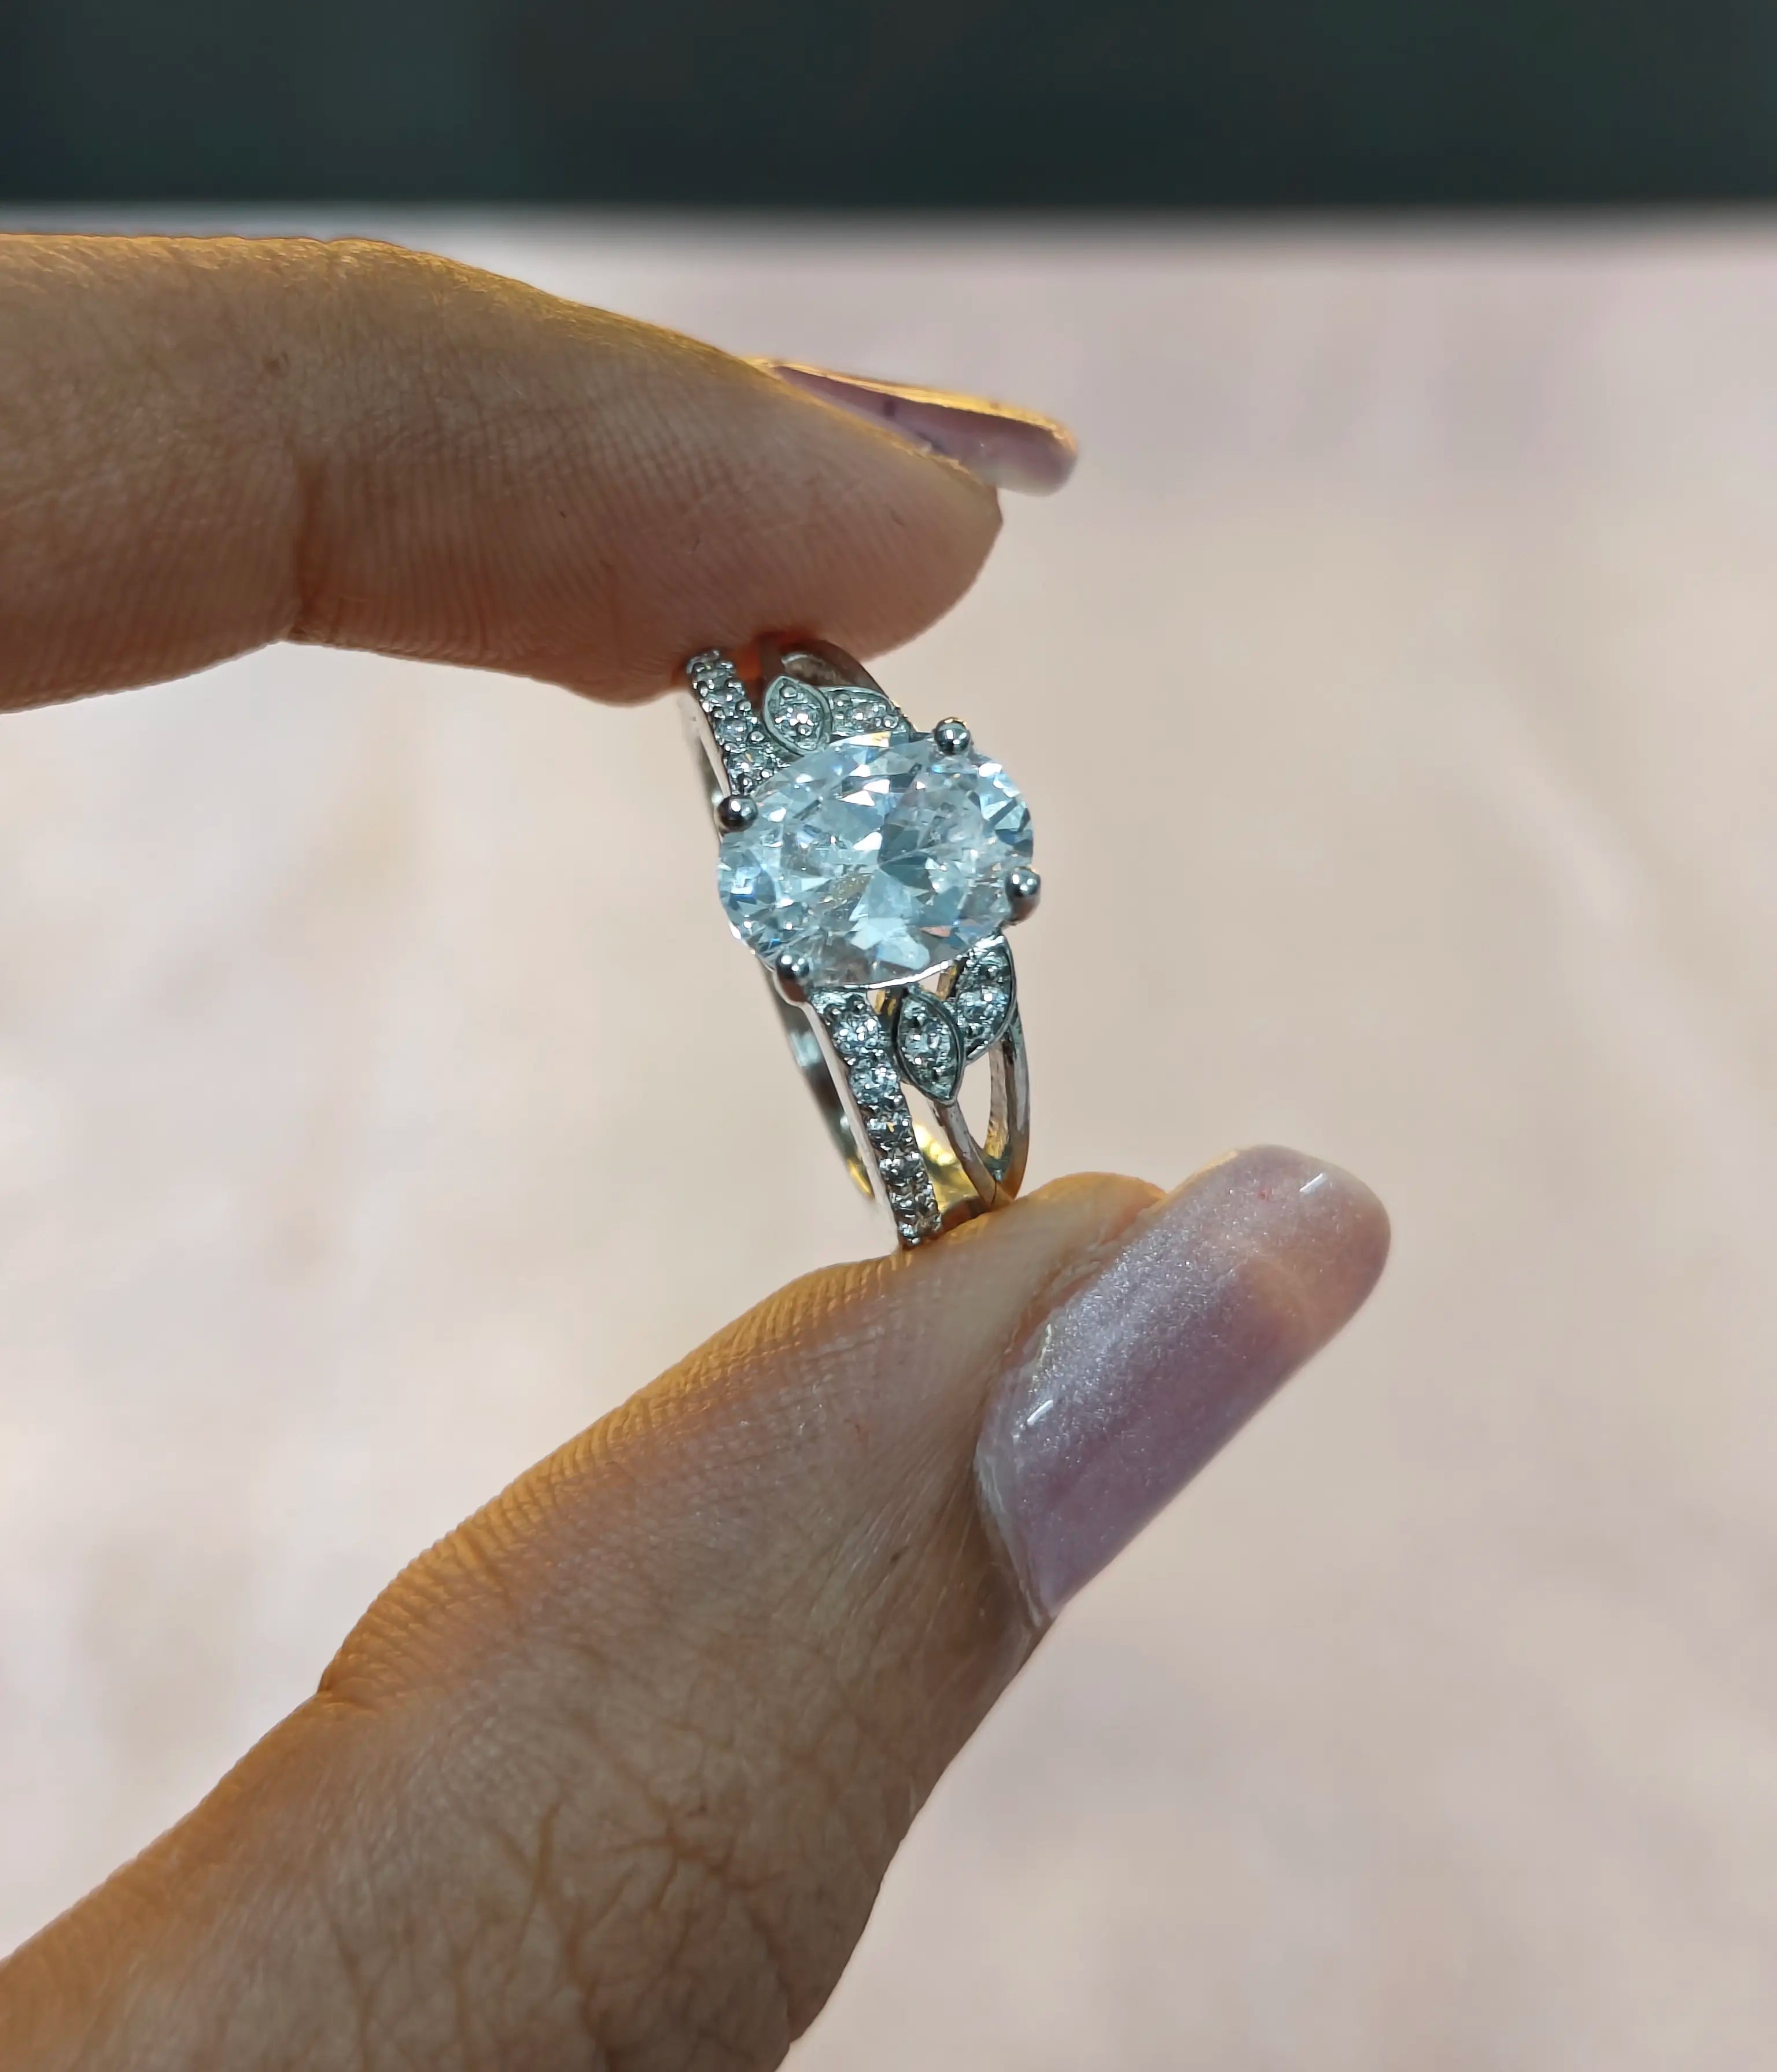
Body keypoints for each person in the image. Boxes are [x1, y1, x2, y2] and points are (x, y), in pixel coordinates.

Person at [0, 235, 1389, 2070]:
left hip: (893, 921)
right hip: (870, 922)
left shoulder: (889, 837)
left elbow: (933, 892)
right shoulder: (822, 843)